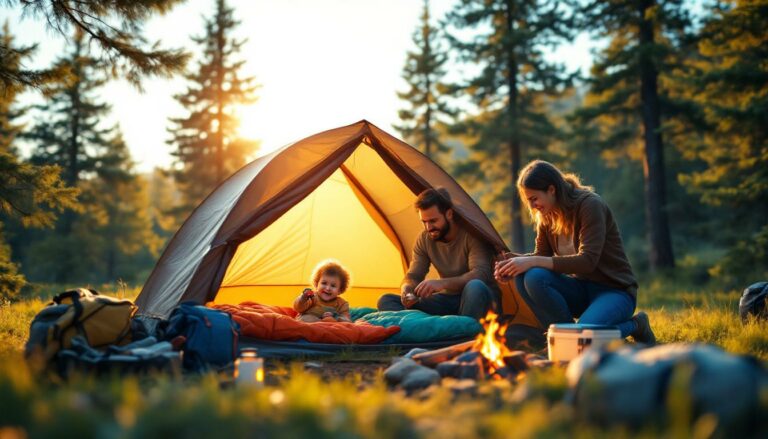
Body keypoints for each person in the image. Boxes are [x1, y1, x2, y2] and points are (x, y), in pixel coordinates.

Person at [494, 160, 656, 344]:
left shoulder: (590, 205)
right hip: (580, 289)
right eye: (528, 201)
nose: (532, 206)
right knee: (530, 276)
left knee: (583, 335)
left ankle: (635, 325)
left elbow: (587, 261)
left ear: (551, 190)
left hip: (614, 291)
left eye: (534, 199)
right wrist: (512, 261)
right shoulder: (547, 216)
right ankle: (569, 340)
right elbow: (542, 255)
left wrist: (531, 261)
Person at [377, 188, 497, 320]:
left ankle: (464, 333)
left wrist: (442, 283)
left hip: (476, 300)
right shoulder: (424, 239)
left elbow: (480, 274)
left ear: (449, 214)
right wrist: (406, 290)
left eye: (433, 221)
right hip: (446, 302)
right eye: (424, 222)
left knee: (475, 286)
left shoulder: (472, 235)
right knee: (387, 300)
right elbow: (413, 275)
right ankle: (432, 332)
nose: (428, 228)